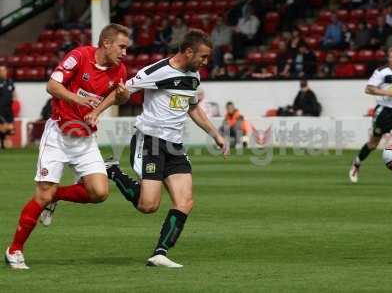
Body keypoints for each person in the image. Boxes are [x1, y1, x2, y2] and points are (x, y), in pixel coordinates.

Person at [4, 23, 130, 269]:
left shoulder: (119, 69)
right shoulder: (79, 56)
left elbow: (118, 95)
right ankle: (15, 249)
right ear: (106, 43)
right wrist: (78, 99)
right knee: (42, 194)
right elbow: (52, 85)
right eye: (122, 47)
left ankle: (56, 196)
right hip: (58, 135)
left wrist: (100, 109)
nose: (124, 53)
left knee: (99, 192)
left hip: (85, 137)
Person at [105, 30, 229, 268]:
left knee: (185, 201)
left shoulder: (194, 76)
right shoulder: (156, 71)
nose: (205, 62)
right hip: (149, 140)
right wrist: (95, 112)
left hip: (175, 145)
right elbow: (122, 91)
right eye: (203, 57)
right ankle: (113, 171)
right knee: (148, 205)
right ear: (188, 51)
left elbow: (193, 108)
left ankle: (160, 252)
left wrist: (215, 134)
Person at [349, 46, 392, 183]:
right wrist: (388, 93)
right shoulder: (381, 72)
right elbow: (368, 89)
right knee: (373, 144)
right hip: (383, 112)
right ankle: (356, 163)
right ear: (388, 59)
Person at [0, 65, 16, 149]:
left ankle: (3, 144)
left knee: (11, 128)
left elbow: (13, 93)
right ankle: (3, 143)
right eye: (1, 71)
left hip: (9, 109)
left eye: (4, 70)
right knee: (4, 127)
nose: (3, 72)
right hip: (1, 109)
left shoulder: (10, 82)